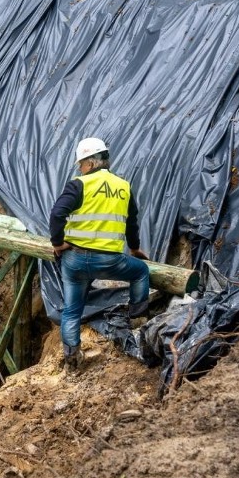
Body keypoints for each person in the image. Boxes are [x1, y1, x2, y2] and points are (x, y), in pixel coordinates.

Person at [48, 137, 151, 373]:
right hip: (110, 261)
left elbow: (57, 214)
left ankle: (72, 362)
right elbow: (131, 222)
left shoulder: (79, 185)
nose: (80, 169)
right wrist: (134, 248)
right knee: (141, 271)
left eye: (81, 165)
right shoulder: (124, 187)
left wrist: (58, 243)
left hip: (74, 260)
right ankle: (136, 321)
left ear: (91, 163)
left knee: (72, 310)